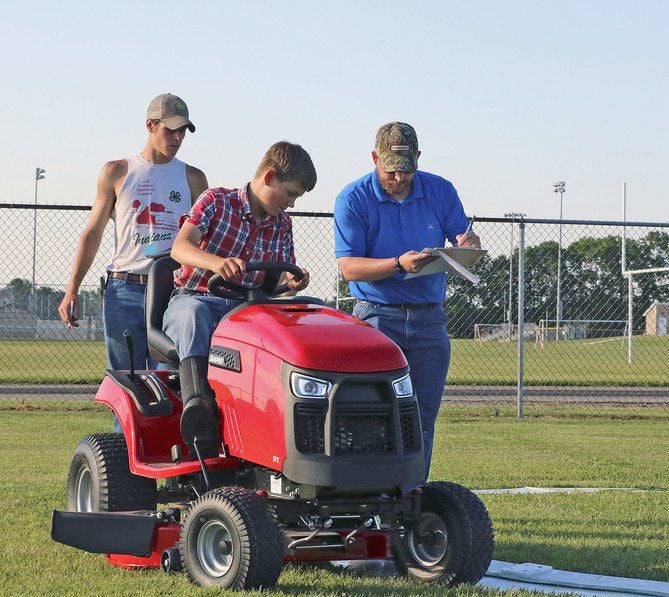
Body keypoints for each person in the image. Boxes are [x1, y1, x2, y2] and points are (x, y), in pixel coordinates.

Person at [333, 121, 481, 481]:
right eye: (391, 168)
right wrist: (399, 263)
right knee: (374, 416)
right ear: (374, 158)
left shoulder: (440, 190)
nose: (399, 177)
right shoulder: (352, 198)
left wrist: (469, 243)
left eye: (406, 168)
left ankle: (412, 497)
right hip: (376, 319)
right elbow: (349, 267)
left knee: (422, 418)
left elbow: (462, 236)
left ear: (418, 157)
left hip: (430, 319)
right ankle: (373, 497)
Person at [162, 141, 315, 452]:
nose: (292, 204)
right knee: (195, 315)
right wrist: (217, 263)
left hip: (250, 310)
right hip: (199, 296)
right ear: (270, 176)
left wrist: (294, 280)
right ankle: (198, 405)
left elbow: (281, 275)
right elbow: (180, 248)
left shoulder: (282, 224)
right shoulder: (217, 201)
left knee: (302, 317)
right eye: (290, 194)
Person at [58, 93, 208, 371]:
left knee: (171, 384)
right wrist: (72, 289)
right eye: (170, 130)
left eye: (183, 132)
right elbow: (93, 233)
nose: (177, 138)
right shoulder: (117, 171)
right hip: (124, 289)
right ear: (150, 125)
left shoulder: (193, 178)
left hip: (173, 292)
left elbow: (207, 241)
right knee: (128, 386)